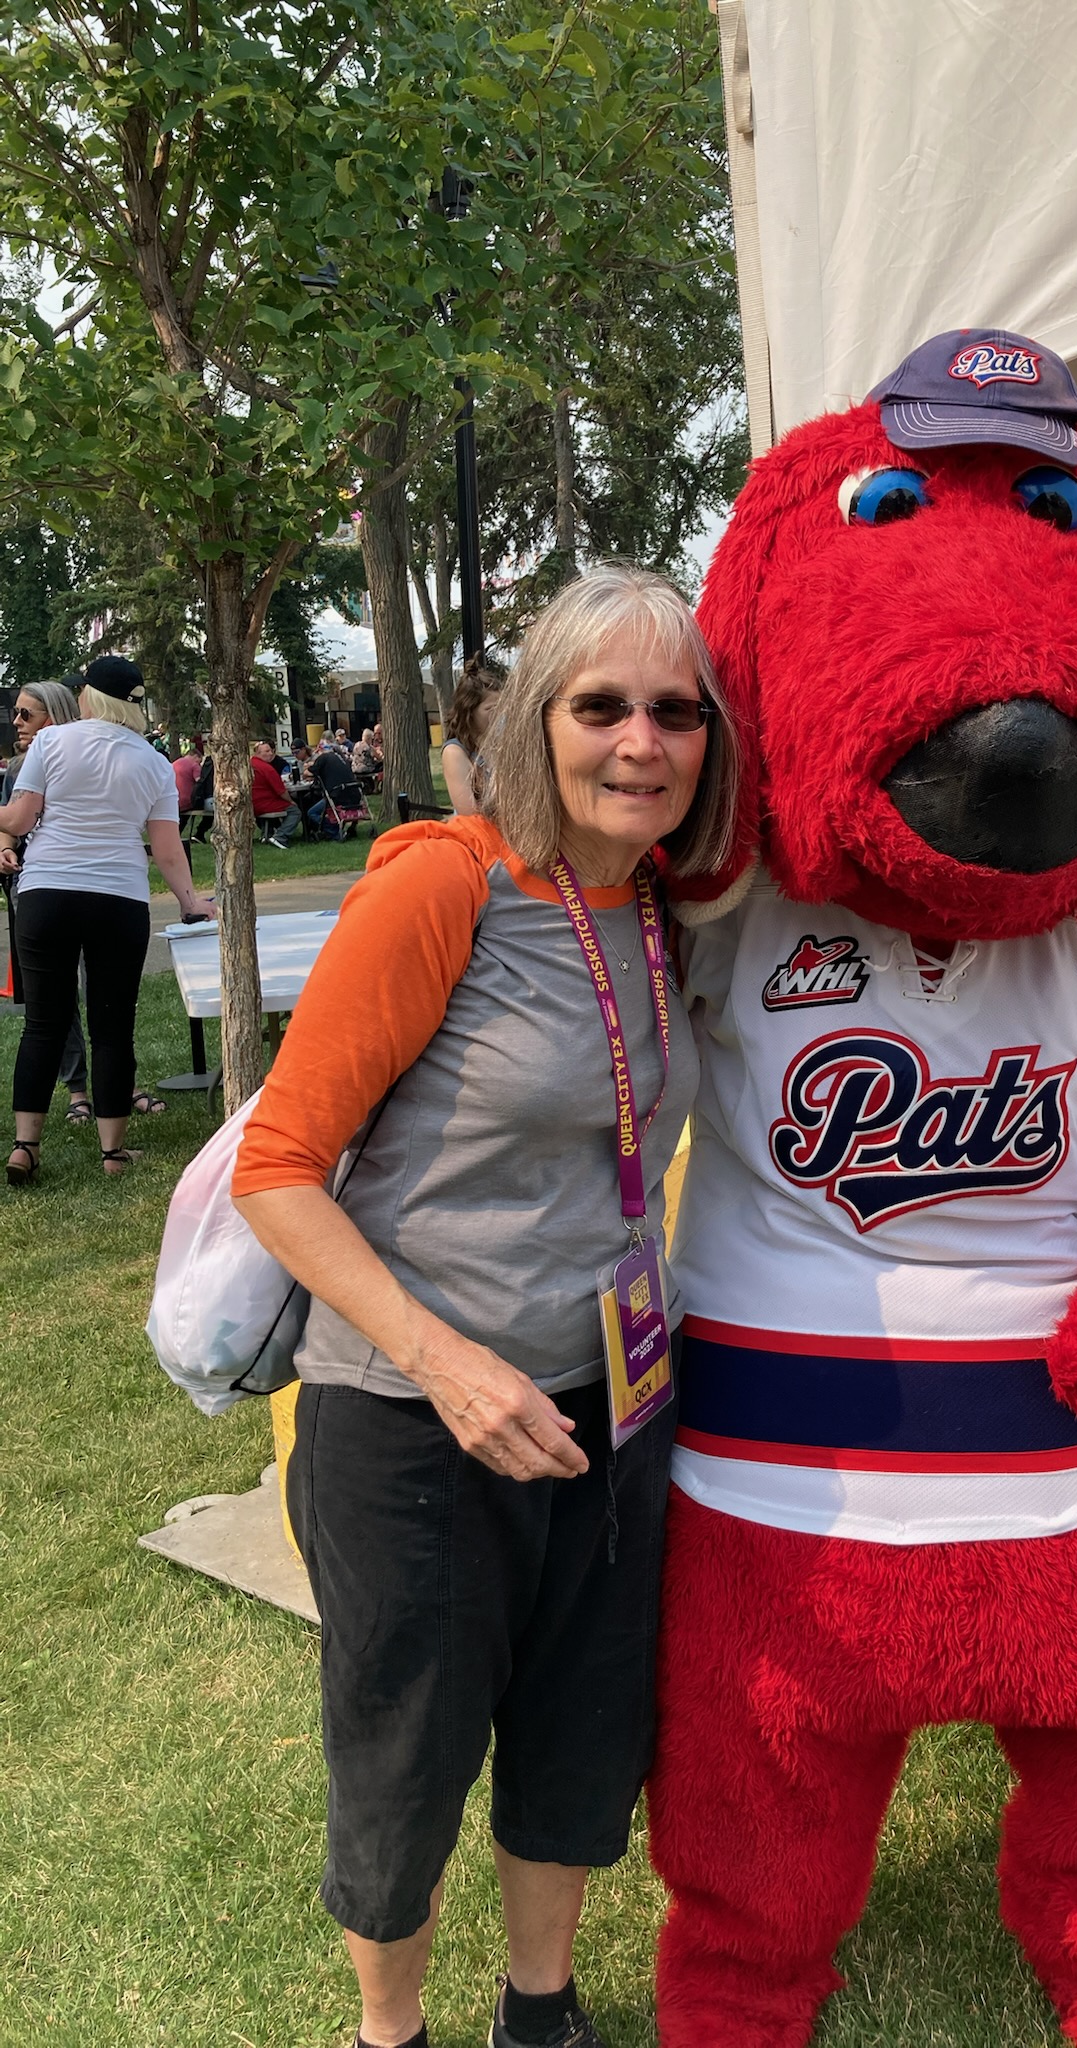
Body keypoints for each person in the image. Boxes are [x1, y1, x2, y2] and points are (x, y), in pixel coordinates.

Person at [230, 565, 738, 2048]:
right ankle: (390, 2031)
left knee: (582, 1729)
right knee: (406, 1757)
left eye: (676, 712)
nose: (640, 742)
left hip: (612, 1404)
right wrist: (446, 1363)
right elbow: (278, 1167)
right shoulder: (444, 883)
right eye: (601, 706)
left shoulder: (669, 905)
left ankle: (540, 2010)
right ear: (535, 720)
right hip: (414, 1421)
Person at [0, 654, 217, 1183]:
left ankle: (25, 1147)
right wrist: (191, 901)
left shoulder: (52, 742)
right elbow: (166, 848)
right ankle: (113, 1153)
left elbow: (20, 819)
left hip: (47, 892)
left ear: (91, 696)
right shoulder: (153, 762)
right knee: (113, 1026)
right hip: (119, 897)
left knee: (43, 1025)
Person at [1, 679, 93, 1125]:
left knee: (103, 987)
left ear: (53, 718)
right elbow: (10, 822)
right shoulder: (19, 767)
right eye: (15, 713)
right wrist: (4, 846)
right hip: (32, 884)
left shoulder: (86, 760)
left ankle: (121, 1084)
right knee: (55, 997)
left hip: (89, 882)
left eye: (26, 714)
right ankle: (78, 1090)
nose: (16, 722)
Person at [442, 654, 506, 814]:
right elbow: (468, 814)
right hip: (481, 829)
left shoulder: (500, 745)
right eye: (491, 709)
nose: (499, 714)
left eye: (501, 707)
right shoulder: (455, 752)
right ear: (469, 711)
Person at [305, 742, 365, 838]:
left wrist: (307, 767)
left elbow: (308, 773)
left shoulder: (323, 758)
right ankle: (338, 829)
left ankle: (333, 831)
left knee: (312, 813)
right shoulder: (342, 759)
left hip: (337, 796)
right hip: (355, 795)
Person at [251, 740, 302, 850]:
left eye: (271, 751)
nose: (270, 753)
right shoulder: (267, 769)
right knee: (294, 810)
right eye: (267, 751)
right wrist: (290, 801)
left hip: (251, 803)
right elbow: (281, 791)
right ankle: (280, 836)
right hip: (264, 803)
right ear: (258, 753)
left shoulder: (250, 764)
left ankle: (267, 834)